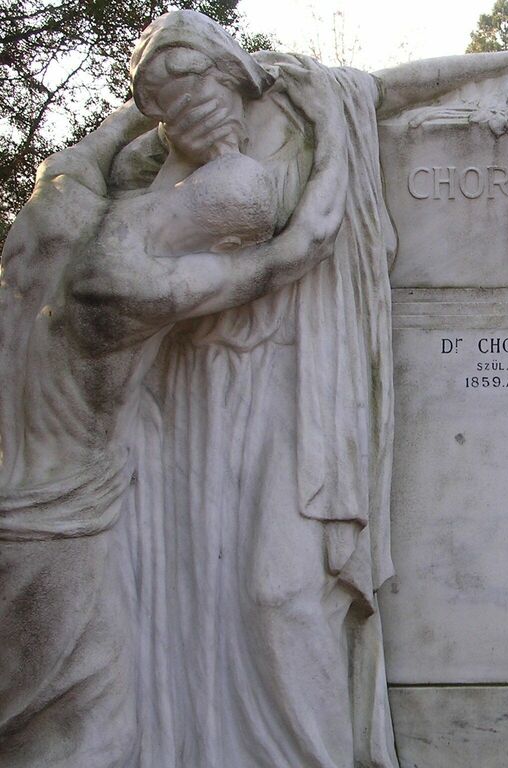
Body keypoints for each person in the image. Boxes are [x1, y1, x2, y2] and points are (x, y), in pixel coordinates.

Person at [0, 61, 351, 768]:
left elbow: (102, 138)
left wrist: (169, 101)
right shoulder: (138, 285)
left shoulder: (61, 205)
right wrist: (332, 125)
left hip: (13, 494)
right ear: (216, 239)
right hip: (60, 525)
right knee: (88, 731)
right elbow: (306, 243)